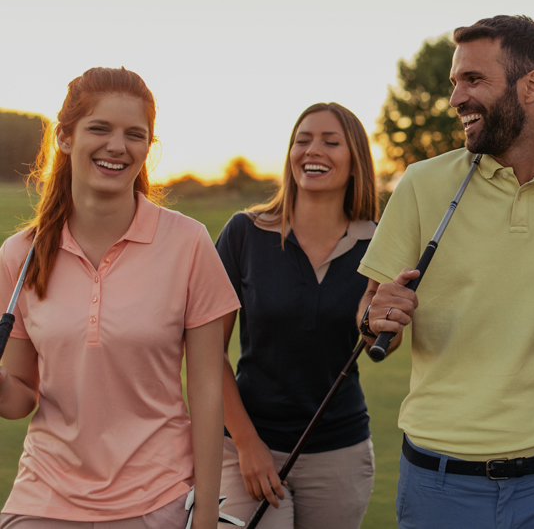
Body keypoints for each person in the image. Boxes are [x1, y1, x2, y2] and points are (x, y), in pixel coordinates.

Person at [357, 15, 534, 528]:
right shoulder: (420, 184)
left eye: (473, 80)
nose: (455, 99)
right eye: (455, 83)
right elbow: (369, 310)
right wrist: (374, 317)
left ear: (532, 86)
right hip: (437, 487)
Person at [0, 67, 240, 529]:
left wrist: (207, 513)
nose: (117, 145)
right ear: (65, 138)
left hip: (158, 499)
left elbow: (208, 390)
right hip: (42, 498)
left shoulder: (189, 243)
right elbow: (18, 399)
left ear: (148, 148)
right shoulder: (19, 256)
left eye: (135, 134)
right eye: (99, 128)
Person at [214, 102, 378, 529]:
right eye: (302, 141)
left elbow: (384, 339)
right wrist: (248, 445)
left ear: (355, 159)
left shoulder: (378, 243)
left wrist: (379, 324)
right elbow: (207, 353)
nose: (312, 150)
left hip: (340, 452)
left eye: (330, 141)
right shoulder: (243, 234)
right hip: (248, 448)